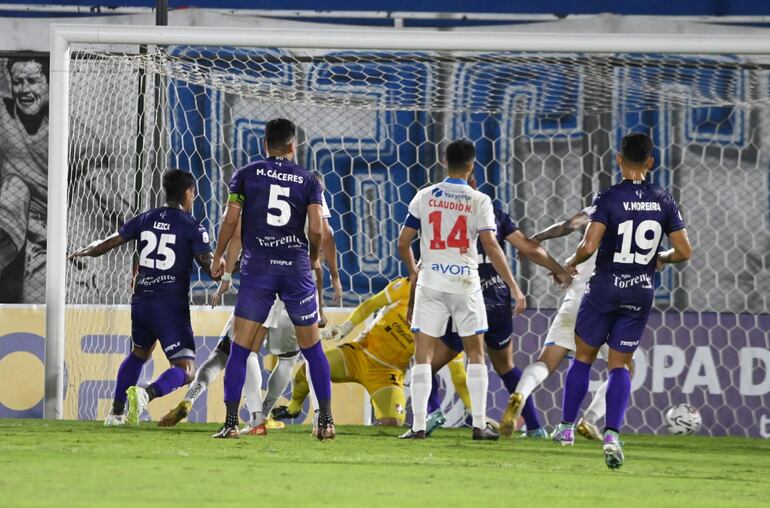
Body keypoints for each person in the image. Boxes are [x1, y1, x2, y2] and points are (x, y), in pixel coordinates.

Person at [552, 132, 691, 469]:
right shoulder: (663, 199)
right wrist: (662, 258)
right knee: (620, 364)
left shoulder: (608, 197)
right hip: (640, 289)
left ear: (618, 159)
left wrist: (570, 264)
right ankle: (612, 434)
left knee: (583, 356)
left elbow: (588, 245)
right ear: (650, 162)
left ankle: (566, 428)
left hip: (604, 287)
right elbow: (685, 251)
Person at [159, 193, 341, 434]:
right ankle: (316, 418)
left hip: (261, 282)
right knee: (295, 357)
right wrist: (326, 294)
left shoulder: (258, 188)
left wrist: (225, 275)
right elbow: (321, 244)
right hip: (296, 284)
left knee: (235, 352)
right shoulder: (308, 193)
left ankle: (248, 416)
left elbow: (236, 234)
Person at [210, 118, 334, 440]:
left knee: (240, 349)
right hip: (296, 269)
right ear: (293, 146)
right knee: (312, 349)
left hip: (258, 270)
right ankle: (326, 422)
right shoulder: (310, 181)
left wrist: (219, 255)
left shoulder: (245, 175)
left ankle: (231, 423)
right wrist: (313, 257)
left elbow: (230, 219)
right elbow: (319, 229)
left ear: (265, 145)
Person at [397, 139, 524, 441]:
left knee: (423, 356)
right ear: (471, 167)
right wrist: (514, 286)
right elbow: (491, 244)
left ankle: (417, 427)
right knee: (476, 354)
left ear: (444, 162)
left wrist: (415, 270)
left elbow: (403, 242)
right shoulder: (479, 200)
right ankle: (479, 426)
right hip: (466, 284)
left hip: (431, 284)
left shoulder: (425, 196)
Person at [68, 169, 215, 426]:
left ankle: (115, 414)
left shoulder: (145, 218)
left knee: (139, 354)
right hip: (170, 306)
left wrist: (85, 251)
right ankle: (146, 394)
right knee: (186, 370)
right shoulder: (193, 227)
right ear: (189, 193)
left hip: (141, 301)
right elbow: (211, 268)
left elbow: (108, 242)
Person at [429, 173, 570, 438]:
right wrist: (557, 269)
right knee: (505, 366)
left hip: (463, 296)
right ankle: (536, 427)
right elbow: (529, 248)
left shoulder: (440, 210)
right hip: (497, 298)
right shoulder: (492, 211)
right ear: (474, 184)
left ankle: (434, 411)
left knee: (427, 366)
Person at [273, 276, 472, 429]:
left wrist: (474, 411)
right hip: (358, 353)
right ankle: (293, 407)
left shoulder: (446, 321)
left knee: (391, 424)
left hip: (388, 374)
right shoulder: (405, 287)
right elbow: (370, 305)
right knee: (306, 371)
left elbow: (458, 373)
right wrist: (345, 328)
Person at [503, 208, 615, 440]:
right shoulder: (642, 215)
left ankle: (519, 395)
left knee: (546, 361)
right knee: (623, 369)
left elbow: (568, 225)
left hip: (577, 295)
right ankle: (590, 419)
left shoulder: (599, 207)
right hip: (610, 299)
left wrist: (538, 238)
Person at [0, 57, 49, 303]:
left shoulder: (72, 134)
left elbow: (103, 191)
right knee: (15, 187)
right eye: (18, 82)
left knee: (33, 316)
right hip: (6, 226)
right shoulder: (3, 117)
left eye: (33, 80)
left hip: (40, 243)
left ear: (51, 83)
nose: (25, 89)